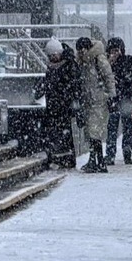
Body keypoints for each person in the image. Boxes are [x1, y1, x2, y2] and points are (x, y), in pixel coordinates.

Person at [75, 36, 117, 173]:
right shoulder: (83, 61)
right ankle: (98, 161)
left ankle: (95, 160)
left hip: (99, 100)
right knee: (92, 132)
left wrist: (111, 96)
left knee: (94, 131)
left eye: (82, 49)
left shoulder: (98, 59)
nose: (81, 52)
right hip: (89, 101)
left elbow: (108, 77)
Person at [39, 38, 81, 169]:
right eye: (50, 55)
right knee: (57, 133)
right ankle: (60, 158)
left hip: (63, 105)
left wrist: (71, 100)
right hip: (54, 105)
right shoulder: (56, 67)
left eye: (54, 55)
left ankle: (65, 159)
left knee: (63, 133)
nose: (53, 57)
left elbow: (75, 85)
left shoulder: (69, 65)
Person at [105, 36, 132, 166]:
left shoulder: (130, 61)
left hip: (127, 99)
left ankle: (127, 152)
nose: (114, 53)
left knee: (128, 126)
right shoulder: (107, 64)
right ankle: (110, 153)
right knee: (113, 127)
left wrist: (131, 86)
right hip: (114, 99)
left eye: (116, 50)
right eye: (112, 50)